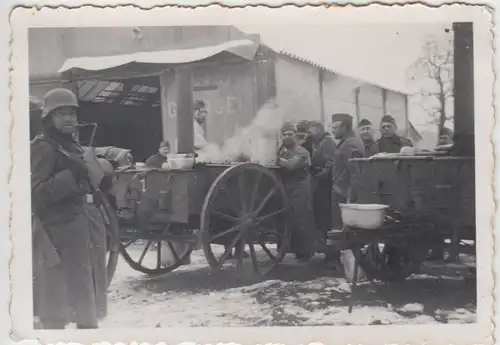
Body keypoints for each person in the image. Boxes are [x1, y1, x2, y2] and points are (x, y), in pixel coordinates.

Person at [31, 88, 109, 329]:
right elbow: (34, 194)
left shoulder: (72, 145)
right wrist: (71, 176)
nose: (69, 119)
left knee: (86, 298)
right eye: (61, 114)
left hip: (83, 229)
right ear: (49, 118)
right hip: (59, 234)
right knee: (56, 304)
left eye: (72, 114)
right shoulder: (43, 147)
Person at [328, 113, 365, 268]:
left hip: (344, 193)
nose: (332, 131)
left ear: (344, 127)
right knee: (340, 227)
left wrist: (348, 193)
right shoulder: (347, 142)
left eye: (335, 127)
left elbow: (355, 171)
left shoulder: (351, 144)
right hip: (341, 191)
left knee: (344, 228)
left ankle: (349, 264)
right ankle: (342, 262)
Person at [277, 122, 316, 263]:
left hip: (301, 187)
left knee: (302, 218)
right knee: (290, 219)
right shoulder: (281, 150)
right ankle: (295, 250)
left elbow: (291, 165)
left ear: (295, 135)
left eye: (290, 134)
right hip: (288, 186)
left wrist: (275, 159)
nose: (287, 137)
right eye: (284, 134)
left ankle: (306, 252)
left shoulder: (302, 151)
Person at [308, 121, 336, 244]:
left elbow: (330, 164)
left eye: (311, 130)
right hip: (319, 181)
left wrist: (319, 176)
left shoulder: (327, 142)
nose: (310, 133)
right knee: (320, 213)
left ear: (319, 130)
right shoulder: (318, 142)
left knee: (325, 214)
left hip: (325, 184)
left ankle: (329, 245)